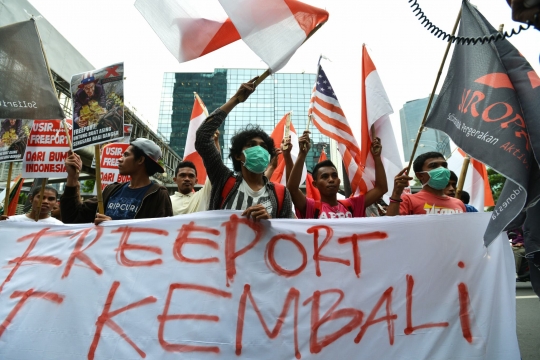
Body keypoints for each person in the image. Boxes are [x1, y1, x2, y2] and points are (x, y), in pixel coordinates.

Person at [194, 77, 294, 220]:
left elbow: (287, 235)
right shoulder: (223, 180)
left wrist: (270, 223)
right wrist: (235, 99)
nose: (259, 149)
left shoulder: (281, 194)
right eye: (252, 145)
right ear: (238, 155)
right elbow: (203, 137)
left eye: (264, 146)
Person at [61, 138, 172, 224]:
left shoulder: (158, 195)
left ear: (140, 160)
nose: (119, 159)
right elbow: (72, 218)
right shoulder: (111, 190)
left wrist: (114, 227)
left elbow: (161, 236)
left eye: (126, 155)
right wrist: (73, 177)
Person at [287, 131, 388, 219]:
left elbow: (381, 189)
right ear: (315, 184)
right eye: (324, 177)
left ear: (339, 181)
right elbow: (292, 189)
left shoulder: (352, 205)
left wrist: (377, 157)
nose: (331, 179)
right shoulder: (311, 207)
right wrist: (302, 154)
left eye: (334, 176)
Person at [387, 152, 466, 216]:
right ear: (420, 175)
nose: (442, 169)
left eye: (444, 165)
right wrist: (396, 194)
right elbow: (393, 227)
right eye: (433, 166)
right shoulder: (408, 200)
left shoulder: (459, 203)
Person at [171, 131, 220, 215]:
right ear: (175, 180)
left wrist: (215, 141)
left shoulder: (202, 197)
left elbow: (216, 167)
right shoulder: (167, 200)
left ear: (196, 181)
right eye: (182, 175)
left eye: (191, 176)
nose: (187, 179)